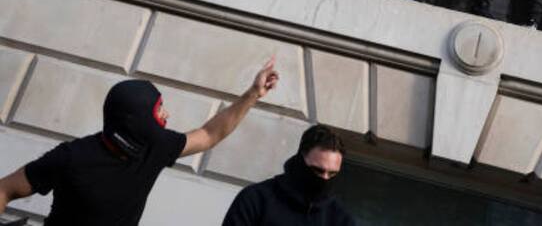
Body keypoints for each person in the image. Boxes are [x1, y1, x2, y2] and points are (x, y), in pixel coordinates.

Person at [0, 58, 279, 225]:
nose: (167, 114)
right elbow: (5, 189)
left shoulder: (155, 148)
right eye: (159, 109)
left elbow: (209, 135)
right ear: (136, 120)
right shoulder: (72, 157)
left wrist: (253, 93)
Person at [222, 124, 355, 226]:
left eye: (332, 174)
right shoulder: (256, 199)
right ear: (301, 160)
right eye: (318, 171)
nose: (325, 178)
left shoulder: (341, 219)